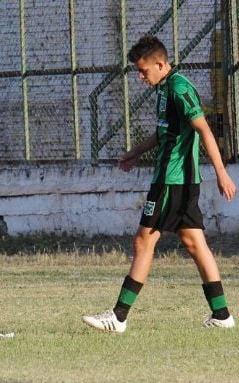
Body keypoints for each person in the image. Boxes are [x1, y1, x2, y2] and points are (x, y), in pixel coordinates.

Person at [82, 36, 237, 333]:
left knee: (144, 241)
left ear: (161, 64)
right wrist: (136, 152)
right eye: (138, 72)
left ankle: (119, 316)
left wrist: (221, 172)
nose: (141, 77)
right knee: (194, 243)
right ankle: (222, 315)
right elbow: (164, 132)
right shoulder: (164, 88)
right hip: (176, 181)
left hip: (172, 180)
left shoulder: (179, 89)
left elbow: (204, 129)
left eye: (144, 71)